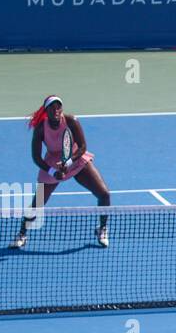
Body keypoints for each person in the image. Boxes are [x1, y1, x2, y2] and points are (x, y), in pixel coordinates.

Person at [9, 95, 110, 250]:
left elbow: (82, 146)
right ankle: (22, 233)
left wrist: (68, 162)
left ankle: (102, 229)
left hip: (75, 158)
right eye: (52, 107)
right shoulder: (41, 128)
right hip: (51, 164)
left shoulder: (71, 121)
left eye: (59, 107)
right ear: (46, 110)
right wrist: (52, 171)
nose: (56, 110)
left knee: (104, 194)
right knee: (37, 203)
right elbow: (36, 157)